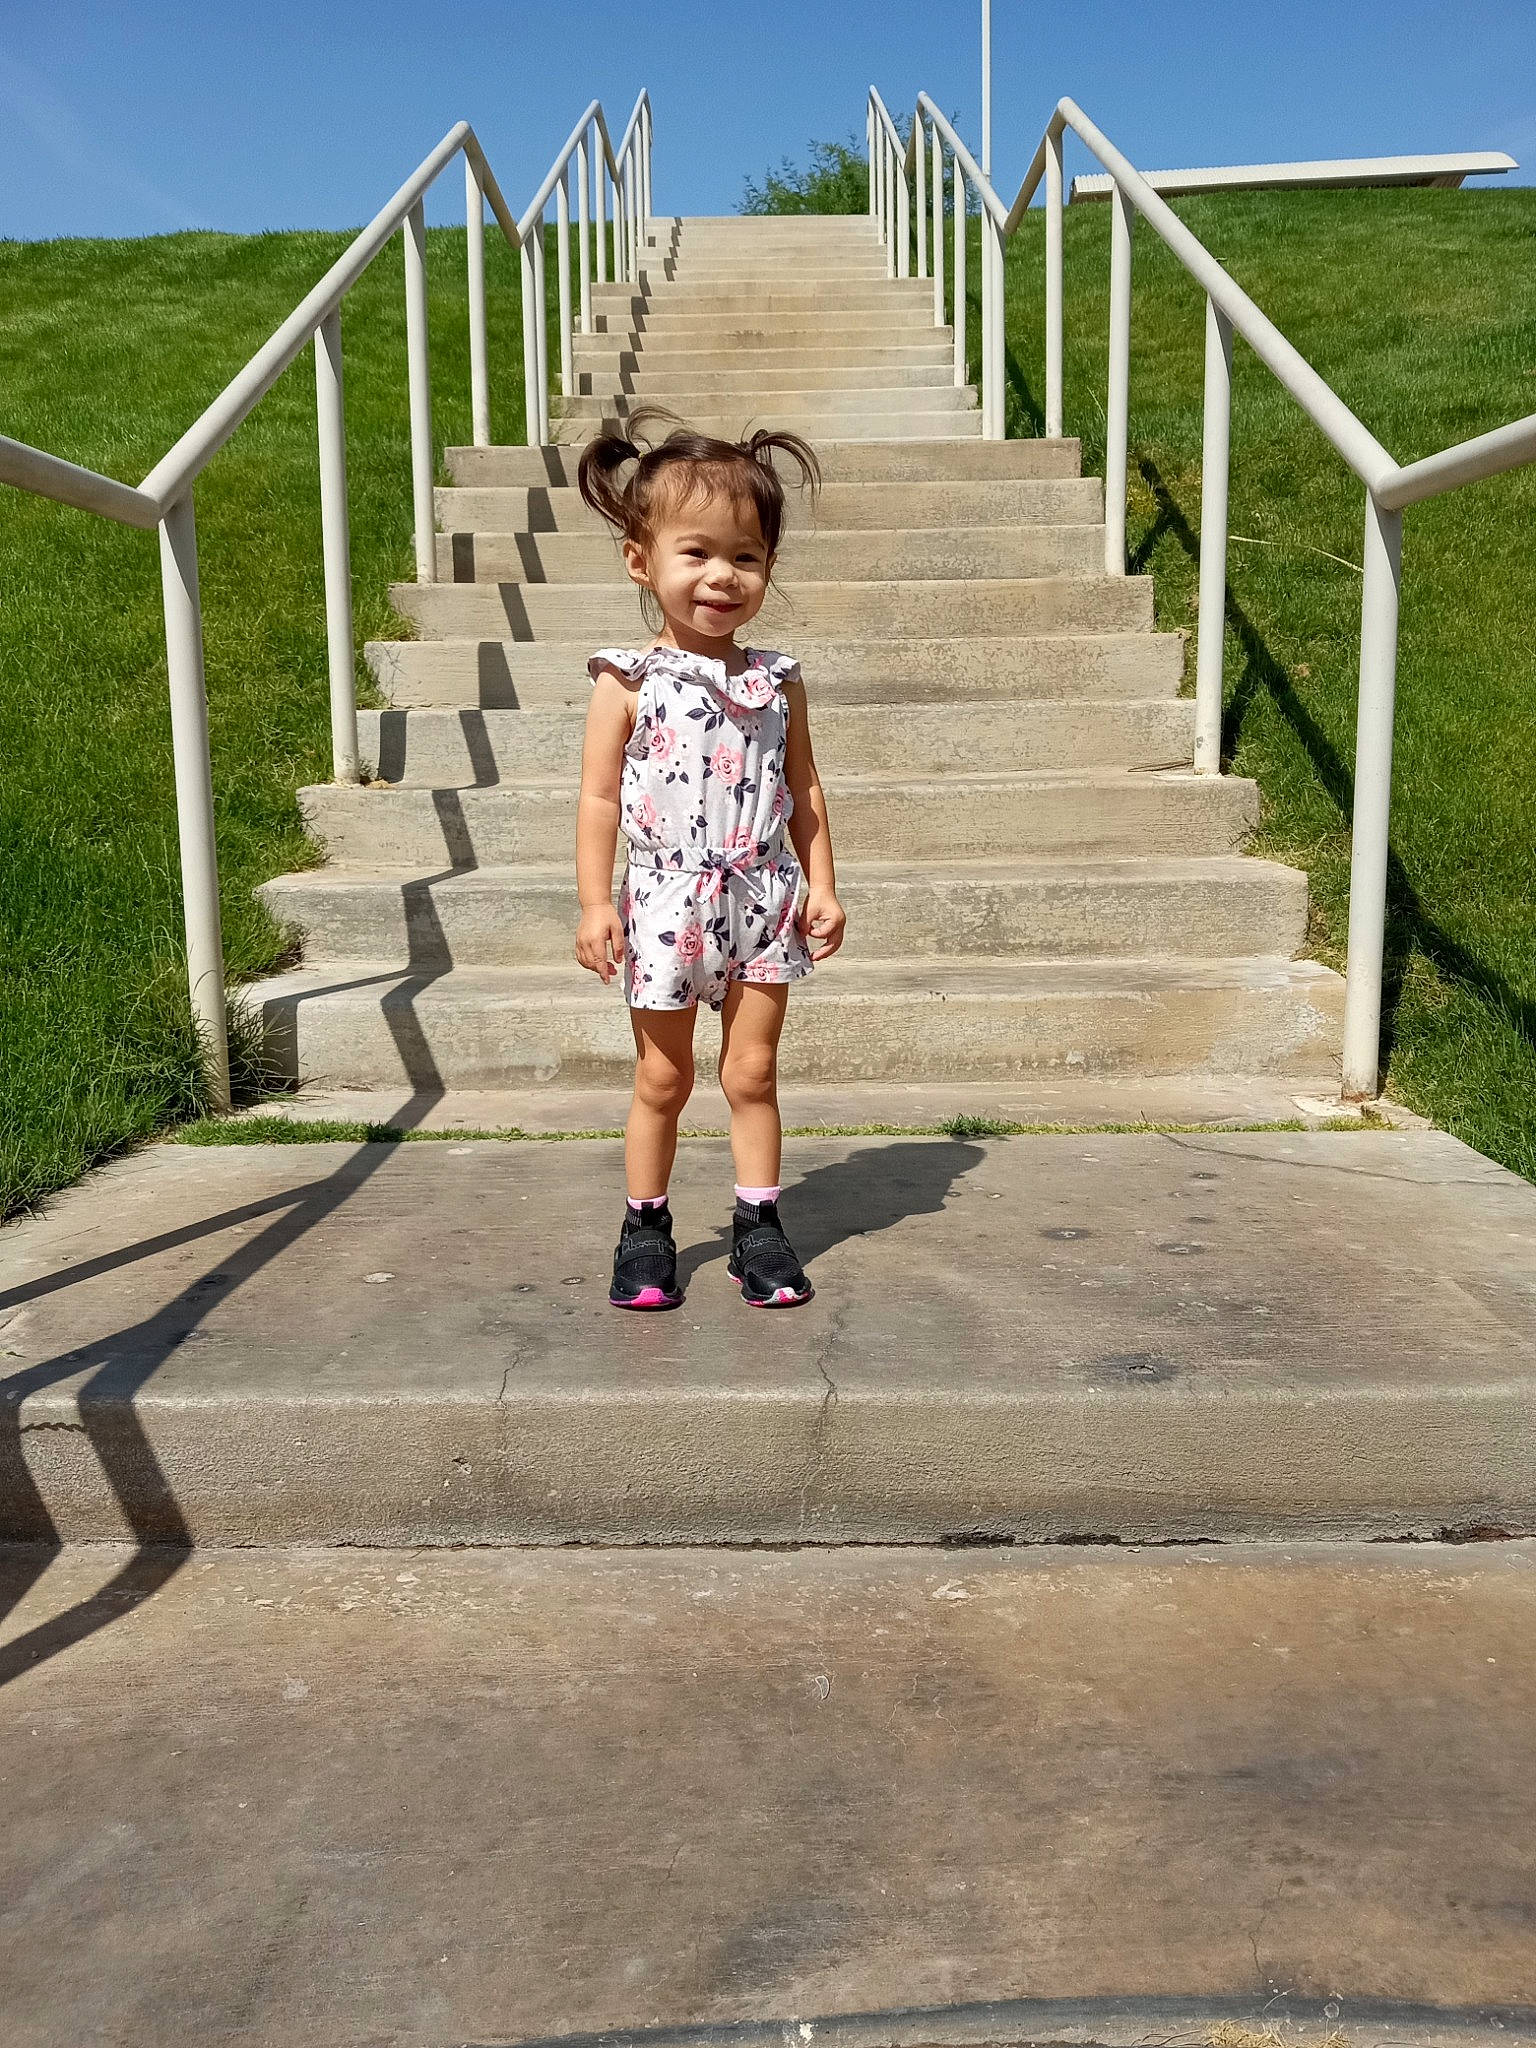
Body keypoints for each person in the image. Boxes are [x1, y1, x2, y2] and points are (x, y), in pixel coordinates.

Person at [574, 411, 845, 1312]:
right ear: (640, 561)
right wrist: (593, 902)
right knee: (663, 1075)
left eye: (747, 557)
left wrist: (824, 887)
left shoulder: (778, 679)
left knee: (753, 1073)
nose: (722, 577)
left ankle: (757, 1227)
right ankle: (645, 1226)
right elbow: (600, 800)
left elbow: (804, 789)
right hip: (661, 900)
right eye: (696, 553)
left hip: (762, 894)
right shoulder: (627, 679)